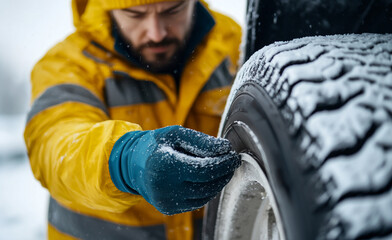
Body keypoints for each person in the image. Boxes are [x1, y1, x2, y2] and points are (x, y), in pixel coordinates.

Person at [23, 0, 242, 239]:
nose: (156, 33)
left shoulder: (233, 46)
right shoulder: (67, 65)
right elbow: (56, 143)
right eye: (135, 14)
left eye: (172, 10)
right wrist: (125, 161)